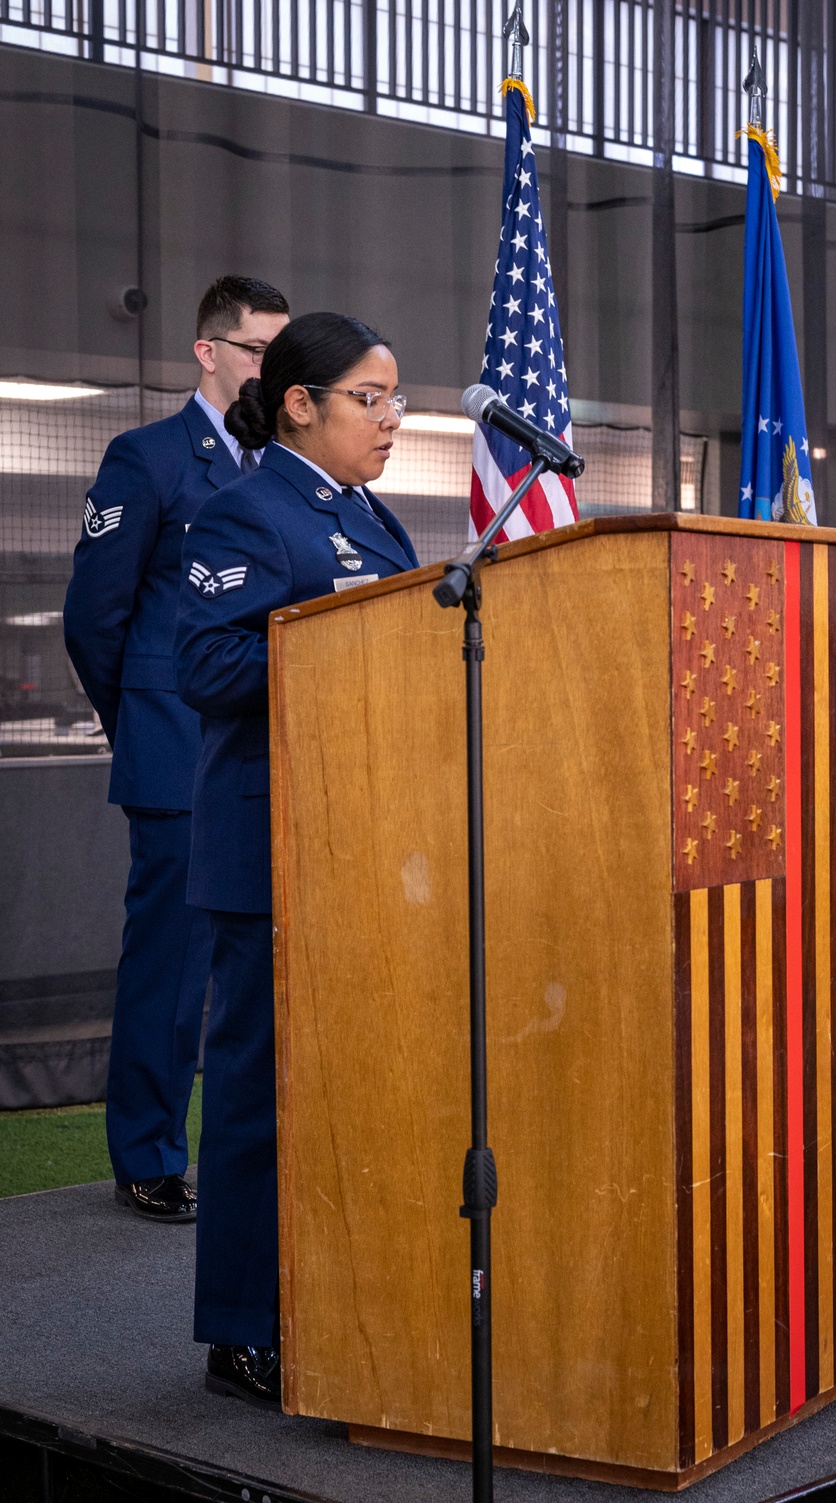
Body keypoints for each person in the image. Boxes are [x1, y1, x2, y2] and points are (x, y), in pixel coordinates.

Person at [174, 311, 418, 1406]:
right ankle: (241, 1327)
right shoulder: (242, 510)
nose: (394, 418)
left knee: (361, 1093)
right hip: (273, 851)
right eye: (372, 398)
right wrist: (340, 624)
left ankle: (350, 1297)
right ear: (301, 404)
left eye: (397, 397)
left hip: (372, 845)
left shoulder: (378, 519)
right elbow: (208, 667)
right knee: (257, 1096)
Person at [64, 276, 290, 1223]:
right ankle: (148, 1152)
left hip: (266, 752)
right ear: (208, 353)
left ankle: (248, 1152)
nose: (272, 374)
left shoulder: (282, 465)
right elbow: (93, 619)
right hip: (174, 752)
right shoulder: (148, 458)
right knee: (171, 966)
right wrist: (143, 727)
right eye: (257, 354)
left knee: (254, 968)